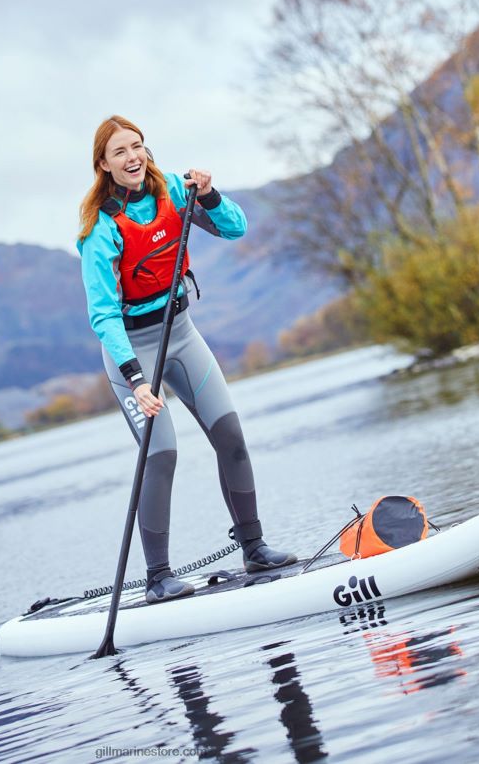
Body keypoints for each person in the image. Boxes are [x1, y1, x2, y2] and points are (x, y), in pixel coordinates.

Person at [78, 115, 296, 604]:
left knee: (231, 436)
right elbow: (103, 316)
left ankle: (254, 548)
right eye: (119, 152)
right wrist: (136, 380)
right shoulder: (101, 230)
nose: (132, 157)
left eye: (137, 146)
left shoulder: (176, 191)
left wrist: (211, 194)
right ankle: (159, 579)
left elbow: (236, 229)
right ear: (103, 165)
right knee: (162, 455)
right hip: (133, 354)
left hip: (182, 333)